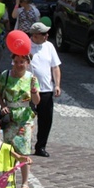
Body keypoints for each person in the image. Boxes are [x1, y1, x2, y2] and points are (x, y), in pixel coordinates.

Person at [0, 53, 41, 188]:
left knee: (24, 150)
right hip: (10, 117)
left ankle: (25, 184)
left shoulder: (31, 78)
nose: (18, 64)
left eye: (22, 62)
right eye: (16, 61)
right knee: (9, 150)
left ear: (27, 63)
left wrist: (34, 90)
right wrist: (3, 105)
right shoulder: (6, 75)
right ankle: (8, 181)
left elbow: (36, 101)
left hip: (24, 117)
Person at [28, 21, 61, 157]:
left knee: (46, 120)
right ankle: (24, 143)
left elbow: (55, 66)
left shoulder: (49, 46)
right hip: (28, 89)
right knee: (26, 119)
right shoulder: (26, 46)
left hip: (46, 89)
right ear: (35, 36)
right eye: (44, 34)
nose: (47, 35)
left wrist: (57, 84)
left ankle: (41, 146)